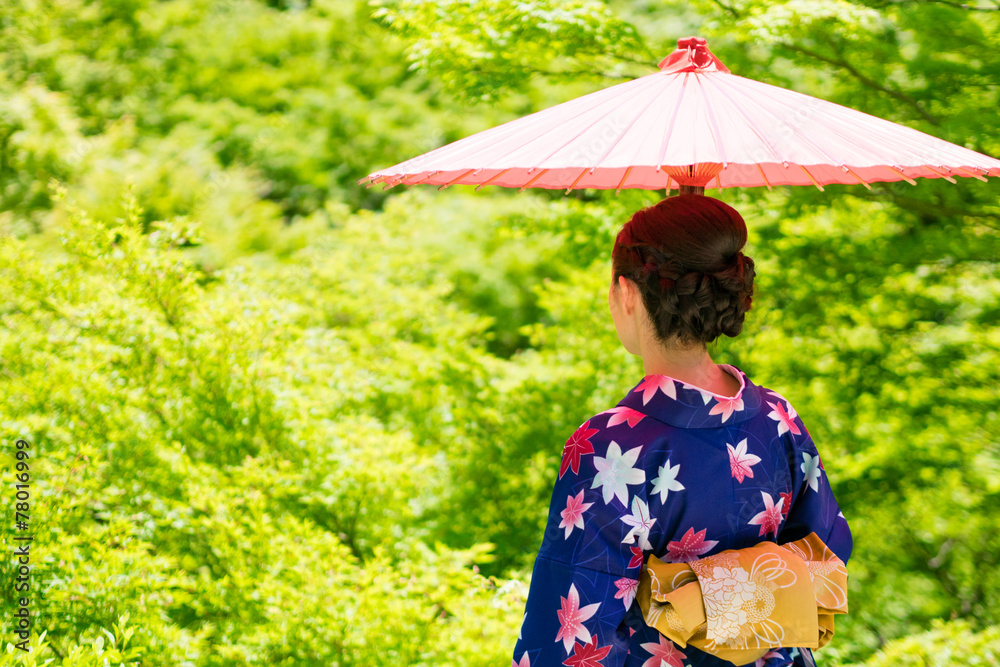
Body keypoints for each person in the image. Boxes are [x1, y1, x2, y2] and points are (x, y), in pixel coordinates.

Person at [511, 194, 853, 667]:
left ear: (626, 293)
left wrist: (691, 601)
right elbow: (827, 550)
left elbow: (571, 635)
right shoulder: (777, 416)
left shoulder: (610, 448)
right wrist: (741, 593)